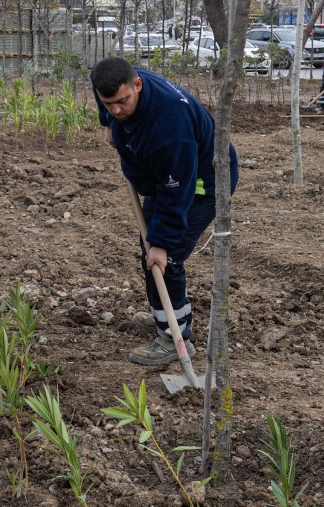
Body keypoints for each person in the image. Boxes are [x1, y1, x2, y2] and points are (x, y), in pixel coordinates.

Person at [92, 57, 239, 366]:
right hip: (166, 177)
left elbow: (177, 192)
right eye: (109, 104)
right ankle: (167, 317)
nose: (117, 109)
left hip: (201, 183)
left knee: (166, 256)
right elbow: (106, 97)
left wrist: (162, 243)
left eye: (123, 102)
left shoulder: (170, 127)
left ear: (138, 85)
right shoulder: (117, 85)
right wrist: (108, 124)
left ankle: (175, 338)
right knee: (150, 249)